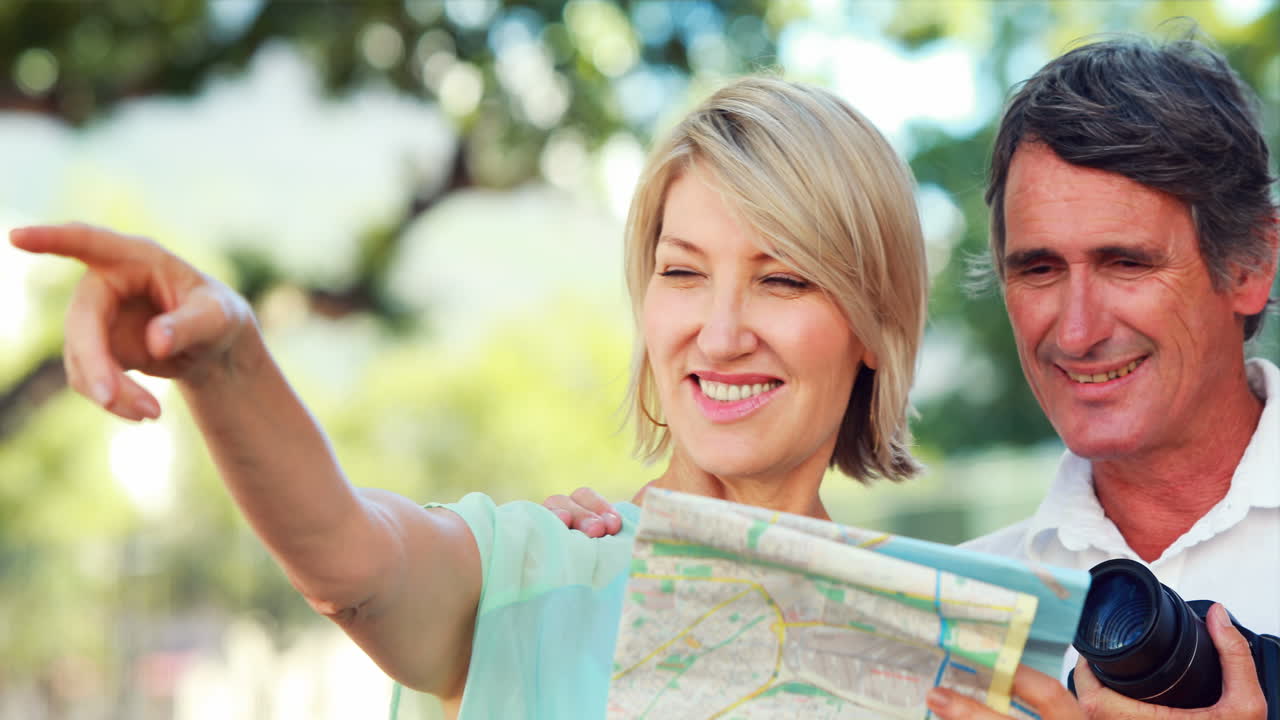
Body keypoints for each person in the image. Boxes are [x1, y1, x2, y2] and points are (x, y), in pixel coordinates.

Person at [9, 76, 931, 719]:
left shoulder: (941, 649)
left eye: (783, 281)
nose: (720, 332)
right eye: (682, 273)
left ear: (871, 322)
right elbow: (347, 556)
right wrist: (225, 362)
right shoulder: (532, 571)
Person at [551, 30, 1279, 720]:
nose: (1079, 329)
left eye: (1127, 262)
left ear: (1251, 263)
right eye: (1038, 269)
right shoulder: (941, 626)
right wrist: (538, 584)